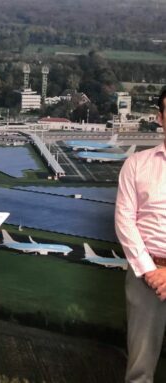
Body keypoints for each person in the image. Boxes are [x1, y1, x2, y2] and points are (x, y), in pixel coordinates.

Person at [115, 88, 166, 383]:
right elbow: (125, 222)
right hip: (145, 277)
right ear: (160, 118)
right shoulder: (136, 164)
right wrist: (151, 271)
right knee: (139, 371)